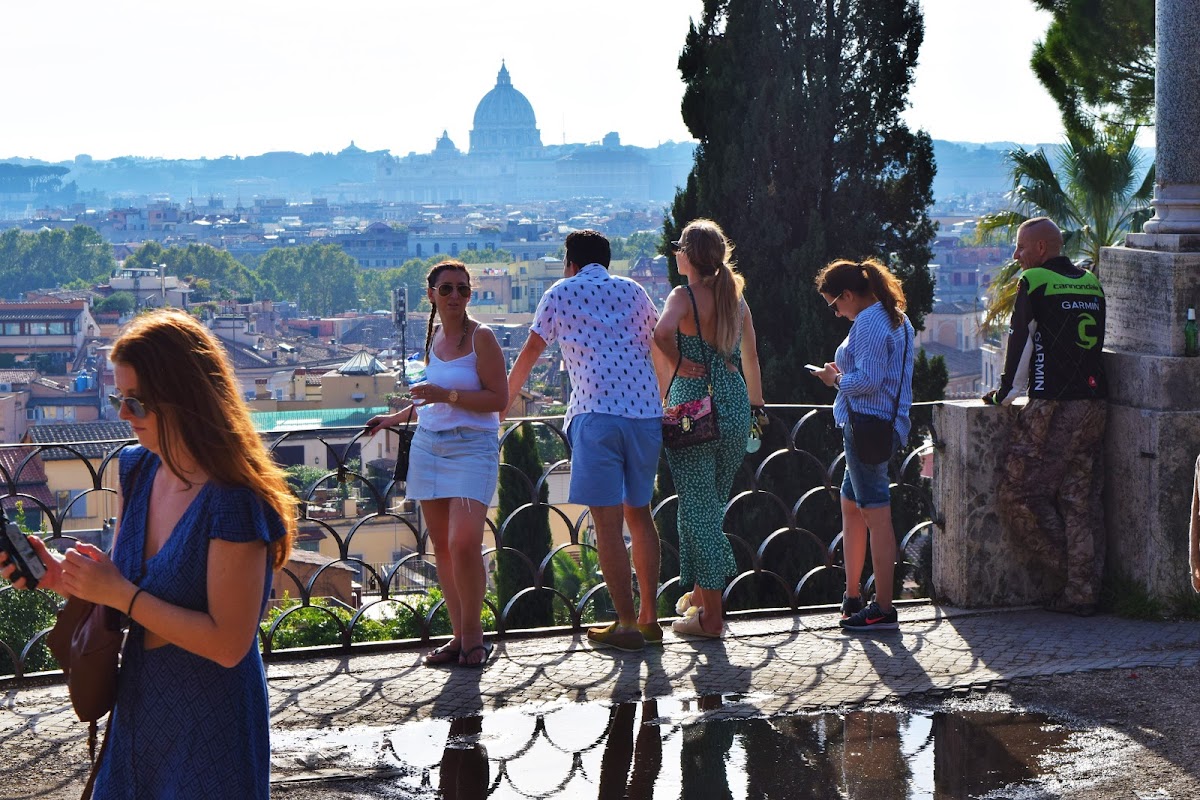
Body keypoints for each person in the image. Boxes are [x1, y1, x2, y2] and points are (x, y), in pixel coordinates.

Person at [2, 309, 296, 798]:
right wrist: (59, 576)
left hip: (210, 724)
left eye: (135, 403)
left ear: (185, 400)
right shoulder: (136, 468)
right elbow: (124, 581)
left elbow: (228, 645)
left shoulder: (234, 501)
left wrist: (120, 594)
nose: (122, 414)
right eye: (120, 398)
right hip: (139, 708)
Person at [505, 229, 662, 652]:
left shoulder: (560, 291)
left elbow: (531, 351)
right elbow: (660, 340)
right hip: (646, 413)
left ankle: (626, 623)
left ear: (569, 263)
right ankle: (650, 619)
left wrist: (501, 405)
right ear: (607, 261)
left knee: (607, 524)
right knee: (640, 515)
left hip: (596, 412)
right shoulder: (633, 290)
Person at [367, 261, 508, 666]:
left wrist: (448, 395)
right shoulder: (432, 339)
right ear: (431, 295)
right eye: (446, 289)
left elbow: (499, 400)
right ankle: (459, 637)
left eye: (463, 290)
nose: (455, 297)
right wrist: (392, 420)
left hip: (472, 447)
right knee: (443, 550)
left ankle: (476, 638)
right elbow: (425, 398)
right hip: (429, 445)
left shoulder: (482, 338)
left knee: (464, 543)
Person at [982, 217, 1107, 616]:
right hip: (1094, 401)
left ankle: (1075, 576)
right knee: (1076, 496)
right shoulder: (1091, 282)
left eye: (1020, 247)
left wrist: (1005, 393)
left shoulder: (1034, 281)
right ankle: (1082, 592)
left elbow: (1022, 338)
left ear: (1039, 249)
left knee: (1017, 494)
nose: (1016, 255)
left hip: (1052, 403)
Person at [653, 219, 765, 638]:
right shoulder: (736, 298)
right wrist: (757, 406)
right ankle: (701, 601)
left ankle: (713, 618)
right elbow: (751, 355)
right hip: (734, 404)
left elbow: (660, 334)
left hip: (690, 405)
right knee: (707, 506)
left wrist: (681, 364)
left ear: (688, 255)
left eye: (677, 247)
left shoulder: (682, 296)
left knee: (699, 511)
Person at [812, 258, 915, 632]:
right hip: (880, 423)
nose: (836, 314)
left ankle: (883, 608)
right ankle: (853, 595)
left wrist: (834, 380)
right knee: (852, 505)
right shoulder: (895, 317)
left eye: (834, 305)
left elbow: (868, 381)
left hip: (866, 424)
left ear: (849, 295)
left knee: (876, 514)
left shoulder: (869, 322)